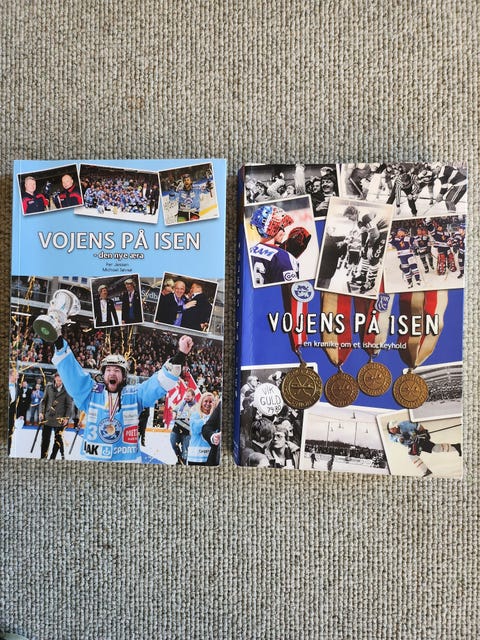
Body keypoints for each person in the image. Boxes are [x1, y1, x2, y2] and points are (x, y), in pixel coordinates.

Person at [51, 333, 193, 462]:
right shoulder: (91, 393)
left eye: (117, 370)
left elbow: (158, 383)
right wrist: (57, 340)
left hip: (127, 465)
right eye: (108, 370)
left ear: (124, 376)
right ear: (103, 375)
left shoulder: (134, 394)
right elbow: (72, 374)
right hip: (92, 463)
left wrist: (181, 354)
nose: (112, 373)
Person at [387, 420, 461, 477]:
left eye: (393, 428)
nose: (392, 430)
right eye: (390, 429)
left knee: (435, 449)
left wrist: (423, 432)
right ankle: (426, 471)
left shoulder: (405, 424)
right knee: (414, 455)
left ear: (396, 426)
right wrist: (402, 438)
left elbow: (418, 426)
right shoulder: (391, 436)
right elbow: (398, 439)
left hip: (419, 439)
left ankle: (456, 447)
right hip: (412, 444)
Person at [248, 205, 298, 286]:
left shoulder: (248, 252)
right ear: (273, 229)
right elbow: (291, 291)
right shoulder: (282, 257)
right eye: (282, 227)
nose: (284, 232)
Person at [39, 373, 73, 460]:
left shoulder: (67, 389)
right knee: (45, 440)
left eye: (61, 380)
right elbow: (44, 401)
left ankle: (52, 457)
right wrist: (41, 412)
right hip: (48, 418)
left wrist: (66, 418)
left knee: (57, 440)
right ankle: (43, 457)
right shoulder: (48, 387)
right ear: (55, 379)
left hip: (59, 419)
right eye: (57, 380)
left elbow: (69, 405)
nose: (59, 382)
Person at [186, 392, 216, 465]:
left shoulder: (216, 417)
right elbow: (195, 430)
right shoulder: (195, 415)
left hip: (210, 456)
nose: (208, 404)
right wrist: (211, 416)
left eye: (210, 402)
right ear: (201, 402)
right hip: (195, 456)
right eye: (206, 401)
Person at [170, 388, 197, 465]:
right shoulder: (182, 403)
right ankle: (180, 458)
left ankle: (182, 463)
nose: (186, 397)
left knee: (185, 450)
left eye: (188, 396)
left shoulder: (196, 406)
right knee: (173, 443)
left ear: (193, 396)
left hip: (187, 431)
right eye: (186, 396)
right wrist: (174, 414)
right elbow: (175, 410)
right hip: (177, 428)